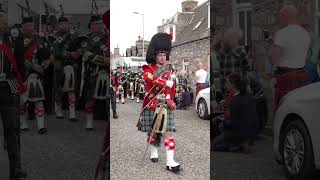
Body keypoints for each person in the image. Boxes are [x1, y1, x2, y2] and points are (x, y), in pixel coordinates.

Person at [136, 33, 180, 173]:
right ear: (155, 56)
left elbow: (171, 88)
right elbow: (150, 79)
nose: (163, 57)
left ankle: (170, 161)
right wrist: (164, 81)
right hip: (153, 103)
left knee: (169, 132)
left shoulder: (170, 70)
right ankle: (154, 150)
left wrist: (174, 86)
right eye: (160, 55)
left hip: (166, 103)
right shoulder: (147, 68)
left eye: (164, 55)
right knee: (153, 131)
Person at [0, 5, 27, 179]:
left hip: (8, 88)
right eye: (1, 19)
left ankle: (15, 168)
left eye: (3, 19)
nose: (4, 22)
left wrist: (21, 86)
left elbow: (20, 64)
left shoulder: (12, 39)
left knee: (12, 129)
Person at [270, 5, 310, 110]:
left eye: (280, 16)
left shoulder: (282, 33)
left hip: (286, 76)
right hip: (302, 74)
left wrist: (271, 48)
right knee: (300, 108)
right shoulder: (305, 33)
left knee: (283, 108)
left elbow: (274, 58)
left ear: (285, 16)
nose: (279, 20)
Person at [212, 73, 259, 153]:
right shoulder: (248, 97)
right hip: (252, 131)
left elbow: (234, 123)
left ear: (233, 85)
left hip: (240, 131)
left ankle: (237, 144)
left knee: (213, 145)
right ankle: (238, 144)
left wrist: (223, 122)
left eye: (227, 82)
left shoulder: (236, 100)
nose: (225, 85)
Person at [20, 15, 49, 134]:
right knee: (21, 101)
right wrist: (31, 65)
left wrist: (48, 61)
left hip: (36, 75)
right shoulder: (17, 40)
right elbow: (14, 57)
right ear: (22, 27)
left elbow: (47, 53)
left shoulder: (39, 40)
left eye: (31, 26)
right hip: (21, 74)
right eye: (26, 26)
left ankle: (41, 126)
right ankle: (23, 123)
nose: (29, 28)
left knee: (38, 100)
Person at [50, 15, 80, 121]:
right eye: (61, 24)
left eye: (65, 24)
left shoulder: (73, 37)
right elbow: (54, 52)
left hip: (71, 65)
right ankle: (58, 109)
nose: (63, 26)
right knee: (59, 89)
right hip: (58, 66)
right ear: (58, 25)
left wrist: (74, 54)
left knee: (71, 89)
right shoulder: (52, 36)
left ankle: (72, 113)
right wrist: (68, 54)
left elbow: (78, 51)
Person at [81, 14, 108, 130]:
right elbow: (86, 55)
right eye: (94, 24)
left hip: (106, 72)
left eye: (99, 23)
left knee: (108, 98)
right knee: (89, 98)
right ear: (90, 26)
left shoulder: (107, 37)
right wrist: (103, 60)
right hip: (92, 72)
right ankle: (89, 122)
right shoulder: (85, 39)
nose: (97, 26)